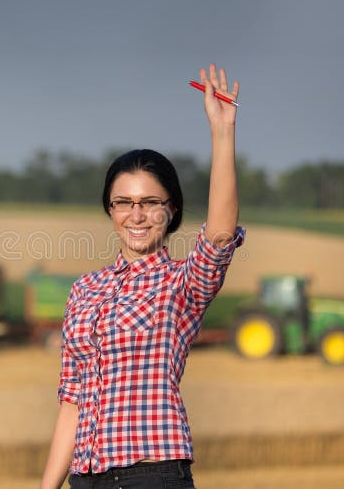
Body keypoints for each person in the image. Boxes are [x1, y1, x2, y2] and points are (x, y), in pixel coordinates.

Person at [40, 64, 246, 489]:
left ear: (172, 211)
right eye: (124, 202)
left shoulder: (182, 285)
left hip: (152, 477)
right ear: (110, 210)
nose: (137, 215)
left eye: (151, 202)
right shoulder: (84, 290)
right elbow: (72, 403)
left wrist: (222, 132)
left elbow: (221, 232)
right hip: (85, 478)